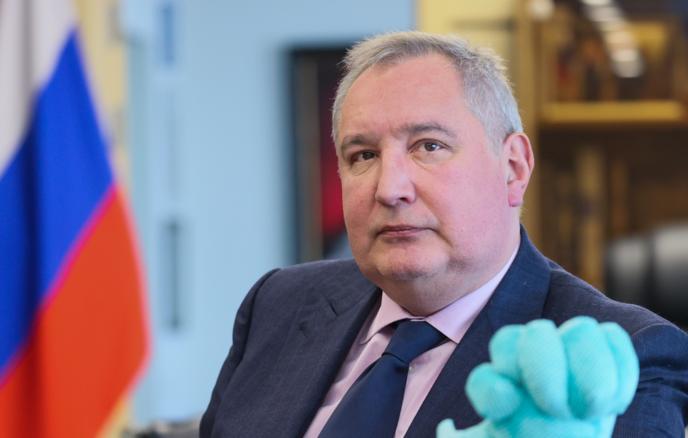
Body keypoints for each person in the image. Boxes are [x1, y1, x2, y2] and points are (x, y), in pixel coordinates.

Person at [200, 31, 688, 437]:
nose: (390, 189)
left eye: (428, 146)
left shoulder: (623, 359)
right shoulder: (278, 305)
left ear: (513, 168)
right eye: (363, 155)